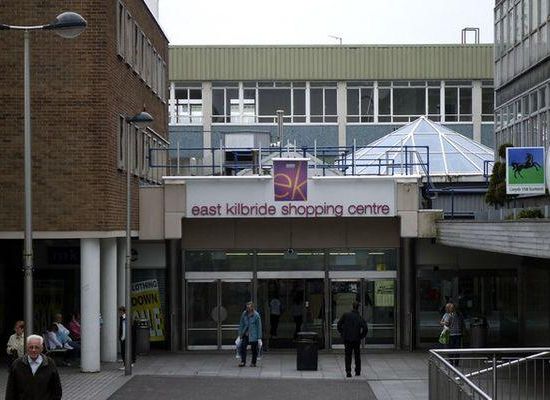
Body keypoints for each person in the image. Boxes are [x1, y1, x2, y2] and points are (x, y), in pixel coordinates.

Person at [5, 334, 62, 400]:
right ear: (27, 348)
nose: (33, 350)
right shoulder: (17, 364)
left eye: (37, 347)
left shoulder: (50, 364)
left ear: (42, 348)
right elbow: (10, 390)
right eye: (31, 347)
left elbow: (57, 389)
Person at [337, 301, 368, 378]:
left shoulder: (346, 315)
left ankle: (348, 371)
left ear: (352, 306)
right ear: (358, 308)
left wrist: (342, 333)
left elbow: (339, 324)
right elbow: (365, 328)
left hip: (347, 339)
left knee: (348, 355)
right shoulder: (359, 317)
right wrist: (361, 336)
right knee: (357, 355)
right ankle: (357, 371)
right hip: (356, 339)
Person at [238, 301, 262, 367]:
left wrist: (259, 337)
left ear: (252, 308)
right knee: (243, 347)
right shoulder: (244, 314)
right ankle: (243, 361)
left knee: (254, 349)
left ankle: (253, 362)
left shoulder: (256, 315)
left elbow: (259, 327)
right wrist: (240, 334)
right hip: (245, 334)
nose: (247, 309)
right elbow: (241, 324)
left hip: (253, 335)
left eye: (249, 307)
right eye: (247, 307)